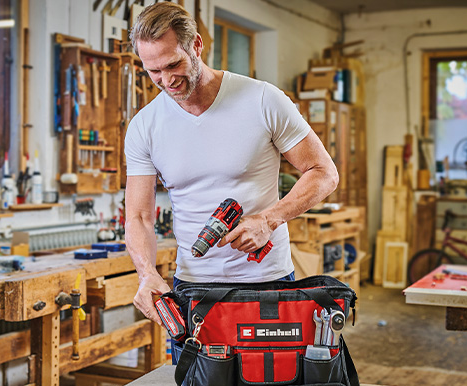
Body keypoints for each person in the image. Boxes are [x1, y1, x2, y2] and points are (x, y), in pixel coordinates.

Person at [124, 2, 339, 326]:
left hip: (268, 280)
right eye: (154, 71)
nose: (166, 80)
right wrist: (146, 272)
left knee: (272, 378)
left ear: (196, 45)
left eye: (173, 64)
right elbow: (138, 216)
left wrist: (268, 220)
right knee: (197, 379)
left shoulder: (263, 100)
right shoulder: (144, 126)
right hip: (194, 287)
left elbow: (324, 172)